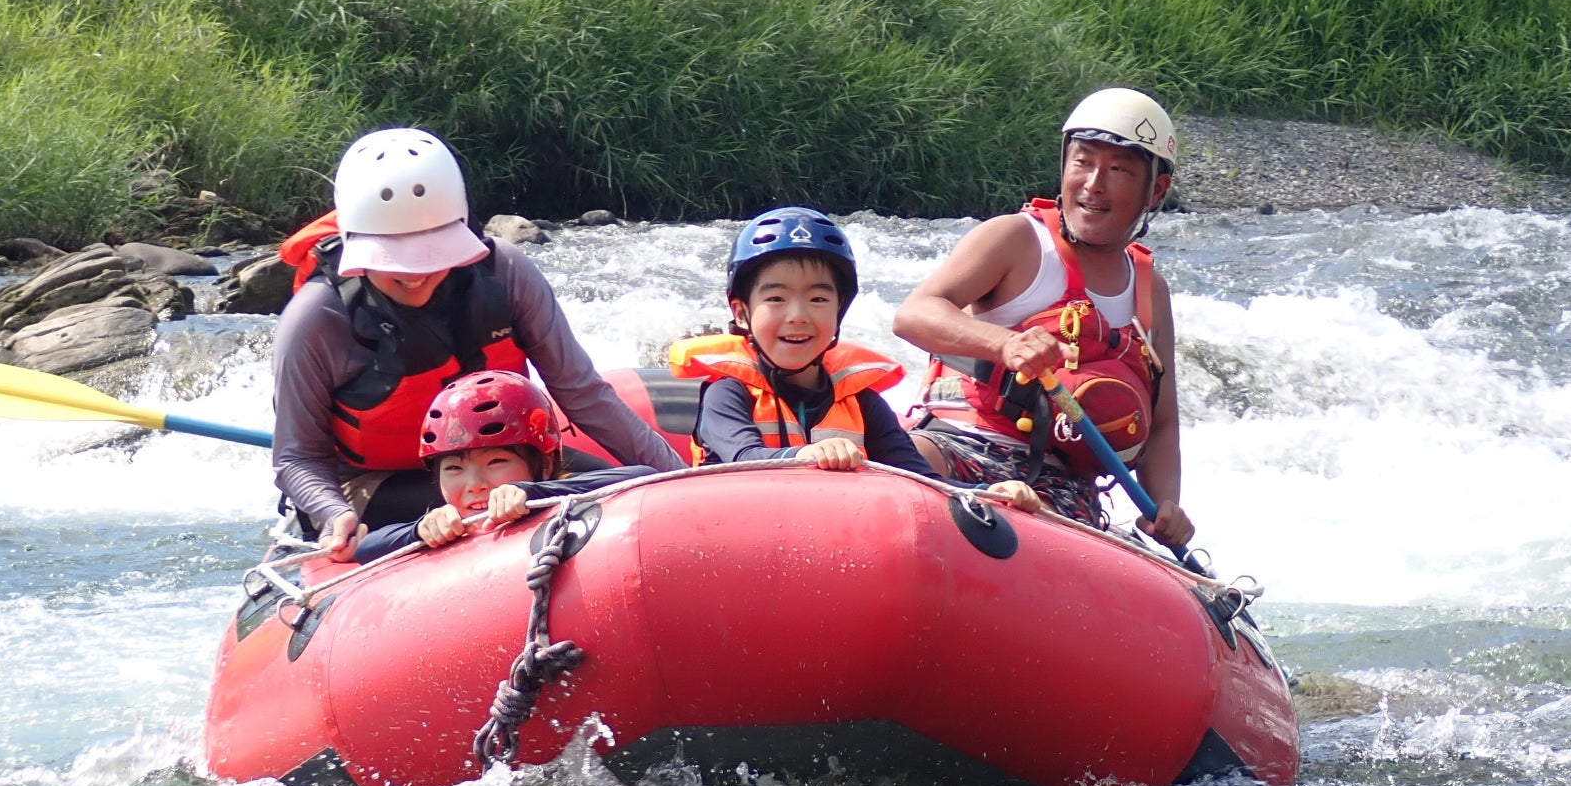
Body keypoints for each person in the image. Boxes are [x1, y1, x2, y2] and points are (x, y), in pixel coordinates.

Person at [270, 127, 685, 561]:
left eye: (431, 254)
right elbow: (297, 458)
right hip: (377, 485)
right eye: (394, 258)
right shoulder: (316, 318)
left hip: (507, 469)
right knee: (473, 509)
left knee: (633, 488)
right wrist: (333, 514)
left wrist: (681, 480)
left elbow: (581, 391)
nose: (416, 274)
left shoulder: (504, 272)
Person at [890, 88, 1194, 549]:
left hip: (1060, 484)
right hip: (959, 441)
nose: (1094, 183)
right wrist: (1004, 344)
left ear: (1155, 190)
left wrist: (1166, 503)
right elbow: (915, 314)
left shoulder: (1151, 291)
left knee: (1045, 530)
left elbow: (1163, 420)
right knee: (899, 463)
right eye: (1083, 162)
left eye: (1119, 171)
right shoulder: (1015, 239)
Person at [665, 207, 1039, 514]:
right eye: (776, 299)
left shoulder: (860, 400)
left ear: (839, 312)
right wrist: (805, 455)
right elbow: (744, 457)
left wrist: (991, 492)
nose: (798, 315)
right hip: (737, 533)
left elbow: (920, 479)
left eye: (818, 299)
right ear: (742, 313)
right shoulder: (727, 393)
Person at [354, 372, 653, 562]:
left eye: (496, 462)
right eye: (453, 469)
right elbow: (366, 548)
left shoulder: (547, 494)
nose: (475, 484)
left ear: (545, 465)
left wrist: (535, 494)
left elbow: (644, 477)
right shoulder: (449, 521)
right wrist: (419, 530)